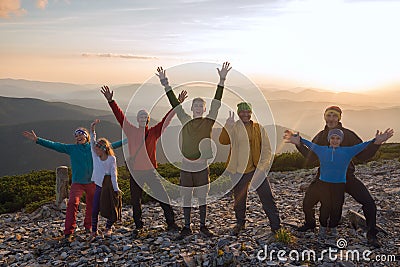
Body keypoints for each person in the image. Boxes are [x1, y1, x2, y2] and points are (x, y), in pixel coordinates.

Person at [293, 105, 391, 247]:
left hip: (347, 177)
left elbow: (363, 156)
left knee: (368, 202)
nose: (331, 119)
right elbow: (312, 157)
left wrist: (376, 144)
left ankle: (371, 233)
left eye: (334, 116)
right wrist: (299, 145)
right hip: (325, 178)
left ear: (339, 118)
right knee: (307, 202)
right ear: (324, 117)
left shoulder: (349, 135)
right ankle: (310, 224)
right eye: (328, 115)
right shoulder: (321, 136)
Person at [156, 62, 231, 240]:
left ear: (204, 109)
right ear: (192, 109)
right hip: (186, 167)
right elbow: (175, 104)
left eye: (201, 106)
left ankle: (203, 226)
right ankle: (187, 226)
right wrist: (165, 84)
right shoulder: (185, 120)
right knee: (187, 197)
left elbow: (217, 103)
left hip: (202, 167)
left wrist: (221, 80)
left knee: (202, 197)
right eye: (195, 106)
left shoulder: (209, 121)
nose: (198, 108)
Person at [100, 85, 185, 235]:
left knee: (163, 197)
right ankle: (139, 226)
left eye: (145, 117)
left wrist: (177, 104)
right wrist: (111, 101)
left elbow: (167, 119)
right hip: (136, 173)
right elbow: (120, 117)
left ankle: (171, 223)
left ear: (148, 120)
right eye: (140, 116)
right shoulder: (131, 130)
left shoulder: (154, 132)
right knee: (135, 201)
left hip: (151, 171)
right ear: (137, 119)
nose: (143, 119)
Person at [22, 128, 123, 242]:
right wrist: (37, 140)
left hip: (92, 182)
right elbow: (55, 145)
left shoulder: (93, 149)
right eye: (76, 135)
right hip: (77, 182)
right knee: (72, 203)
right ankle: (68, 232)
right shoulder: (72, 149)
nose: (78, 137)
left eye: (81, 134)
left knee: (91, 205)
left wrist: (128, 140)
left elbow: (111, 145)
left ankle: (89, 227)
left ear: (86, 136)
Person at [219, 103, 281, 236]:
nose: (245, 114)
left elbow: (267, 150)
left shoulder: (258, 128)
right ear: (238, 113)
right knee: (239, 199)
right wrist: (228, 125)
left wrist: (262, 168)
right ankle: (240, 224)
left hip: (256, 170)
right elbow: (223, 140)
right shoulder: (234, 127)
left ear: (251, 113)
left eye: (248, 112)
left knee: (267, 198)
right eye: (242, 112)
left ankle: (276, 226)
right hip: (238, 171)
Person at [89, 119, 122, 240]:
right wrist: (92, 129)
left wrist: (116, 189)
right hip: (98, 186)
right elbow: (92, 142)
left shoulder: (111, 159)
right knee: (95, 208)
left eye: (98, 149)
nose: (95, 150)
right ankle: (94, 230)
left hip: (107, 187)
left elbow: (114, 175)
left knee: (109, 207)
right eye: (96, 148)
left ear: (103, 149)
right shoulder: (95, 156)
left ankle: (108, 227)